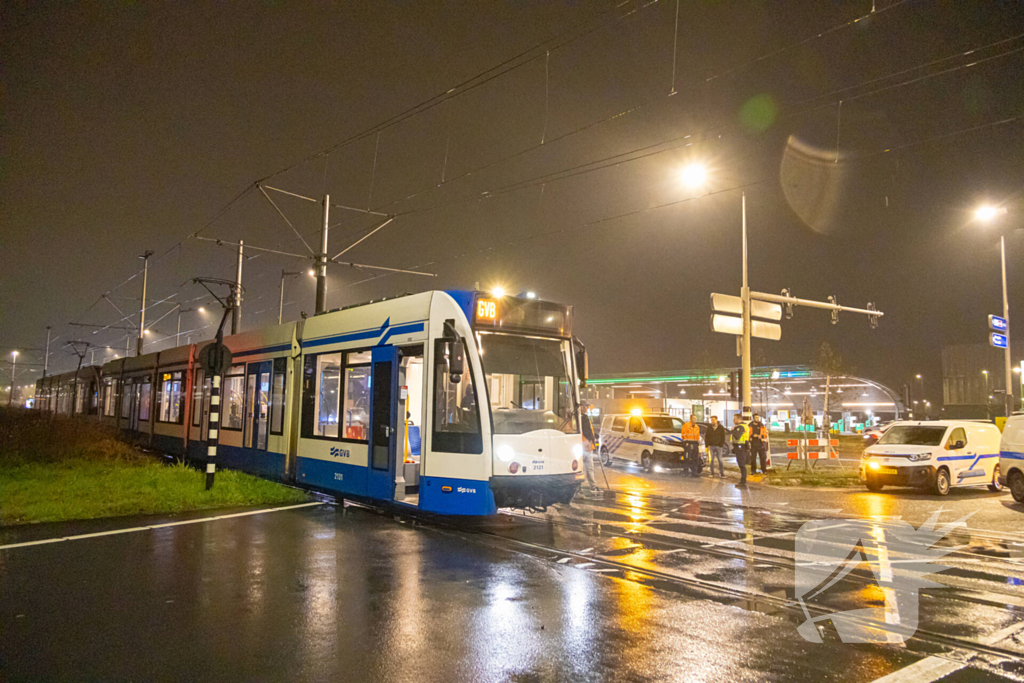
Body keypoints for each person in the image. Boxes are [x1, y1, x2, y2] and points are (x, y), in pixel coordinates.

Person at [580, 407, 601, 494]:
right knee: (586, 468)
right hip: (585, 446)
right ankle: (591, 486)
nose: (585, 408)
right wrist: (591, 438)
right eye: (584, 406)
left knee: (585, 468)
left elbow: (589, 431)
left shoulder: (584, 418)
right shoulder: (583, 418)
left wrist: (594, 437)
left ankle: (588, 486)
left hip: (587, 447)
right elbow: (587, 431)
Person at [731, 413, 750, 488]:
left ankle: (743, 482)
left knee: (742, 465)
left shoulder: (740, 427)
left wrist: (732, 430)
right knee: (742, 465)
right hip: (742, 447)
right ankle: (743, 481)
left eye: (735, 419)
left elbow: (737, 436)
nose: (733, 420)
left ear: (739, 419)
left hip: (741, 448)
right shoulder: (744, 426)